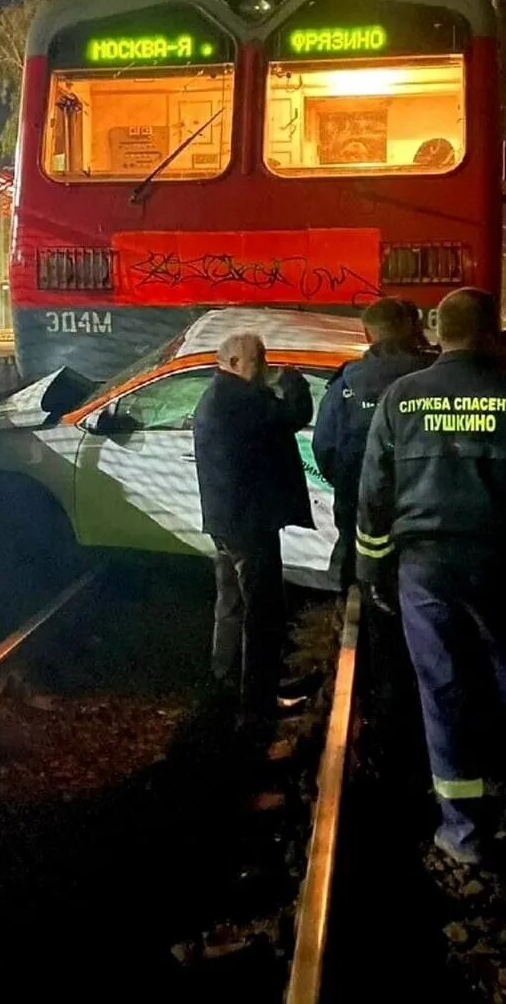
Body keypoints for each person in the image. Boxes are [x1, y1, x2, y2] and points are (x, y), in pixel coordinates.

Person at [357, 288, 506, 871]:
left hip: (426, 572)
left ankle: (464, 834)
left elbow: (374, 496)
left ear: (438, 334)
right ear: (492, 334)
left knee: (444, 696)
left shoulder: (400, 398)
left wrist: (372, 568)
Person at [193, 332, 314, 732]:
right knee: (263, 614)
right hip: (250, 524)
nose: (264, 365)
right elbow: (294, 415)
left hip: (227, 521)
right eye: (258, 358)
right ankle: (257, 707)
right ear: (232, 363)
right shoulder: (242, 400)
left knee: (231, 604)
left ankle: (224, 682)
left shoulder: (217, 396)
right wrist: (293, 379)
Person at [313, 298, 428, 591]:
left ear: (367, 335)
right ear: (408, 327)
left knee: (355, 580)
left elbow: (324, 447)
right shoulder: (432, 377)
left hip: (359, 504)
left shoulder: (346, 384)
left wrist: (347, 482)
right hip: (423, 505)